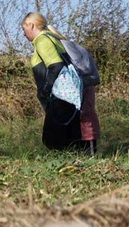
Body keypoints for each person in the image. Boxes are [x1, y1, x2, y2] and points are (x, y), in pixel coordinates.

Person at [22, 12, 99, 154]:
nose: (23, 34)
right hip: (70, 93)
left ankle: (67, 163)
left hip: (59, 95)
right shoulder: (54, 38)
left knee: (52, 139)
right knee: (70, 134)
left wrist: (46, 89)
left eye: (23, 29)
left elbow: (55, 65)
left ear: (31, 25)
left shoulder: (42, 40)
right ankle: (80, 161)